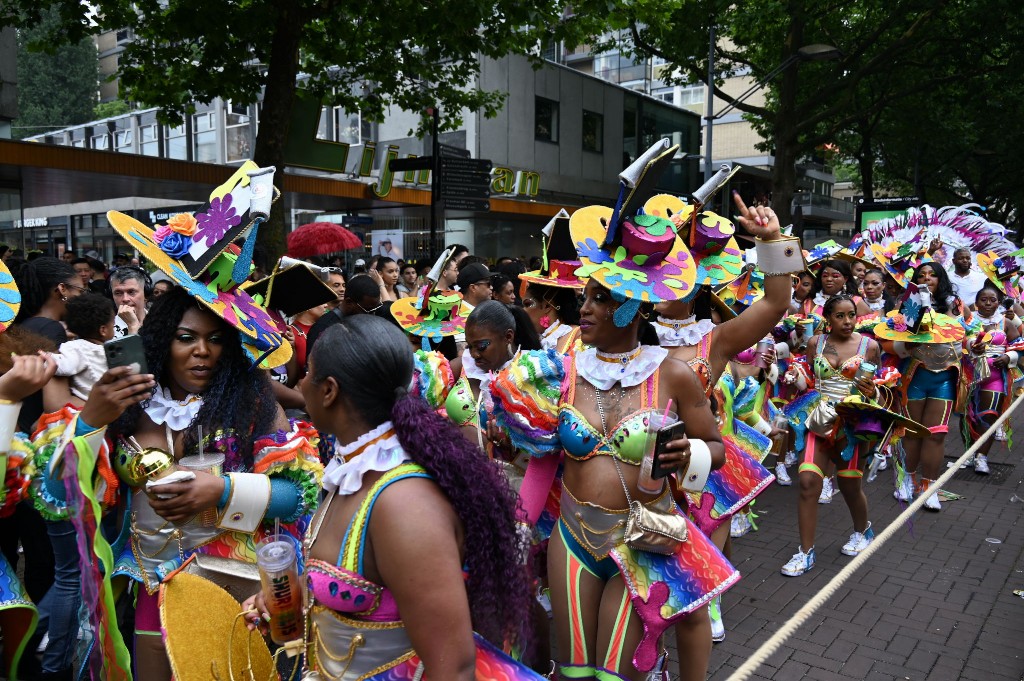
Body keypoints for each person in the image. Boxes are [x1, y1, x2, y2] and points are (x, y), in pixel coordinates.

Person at [38, 286, 322, 679]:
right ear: (161, 339)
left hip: (232, 588)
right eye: (185, 337)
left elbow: (299, 496)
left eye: (216, 339)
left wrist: (221, 491)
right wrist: (90, 420)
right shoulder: (129, 404)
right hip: (152, 586)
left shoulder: (251, 400)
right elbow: (57, 497)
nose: (202, 351)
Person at [243, 315, 532, 679]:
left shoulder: (402, 504)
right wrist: (297, 597)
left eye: (308, 372)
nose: (300, 381)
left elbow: (454, 669)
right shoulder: (352, 468)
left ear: (329, 390)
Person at [779, 294, 913, 576]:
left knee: (850, 485)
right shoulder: (817, 343)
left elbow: (882, 387)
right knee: (807, 482)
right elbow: (811, 381)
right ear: (828, 318)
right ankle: (805, 552)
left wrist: (873, 391)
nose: (848, 321)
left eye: (851, 315)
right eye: (840, 316)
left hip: (853, 425)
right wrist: (795, 377)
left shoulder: (870, 346)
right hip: (819, 420)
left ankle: (863, 530)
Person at [960, 285, 1020, 473]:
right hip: (969, 374)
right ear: (976, 303)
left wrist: (1009, 357)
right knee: (966, 417)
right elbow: (956, 341)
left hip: (994, 375)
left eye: (992, 300)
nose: (988, 303)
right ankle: (968, 453)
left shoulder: (1005, 322)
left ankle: (981, 457)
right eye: (983, 300)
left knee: (989, 416)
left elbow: (1018, 344)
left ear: (999, 303)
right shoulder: (967, 322)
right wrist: (969, 346)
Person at [48, 292, 116, 404]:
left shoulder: (75, 347)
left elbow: (64, 367)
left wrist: (47, 357)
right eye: (113, 324)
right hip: (104, 405)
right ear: (103, 330)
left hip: (85, 406)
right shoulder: (107, 351)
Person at [304, 274, 383, 363]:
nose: (372, 315)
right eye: (368, 310)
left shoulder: (362, 324)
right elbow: (313, 368)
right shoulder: (324, 329)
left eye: (376, 309)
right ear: (349, 302)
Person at [109, 265, 150, 336]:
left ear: (145, 293)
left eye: (131, 292)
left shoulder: (161, 323)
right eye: (118, 293)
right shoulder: (107, 331)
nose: (125, 299)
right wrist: (132, 326)